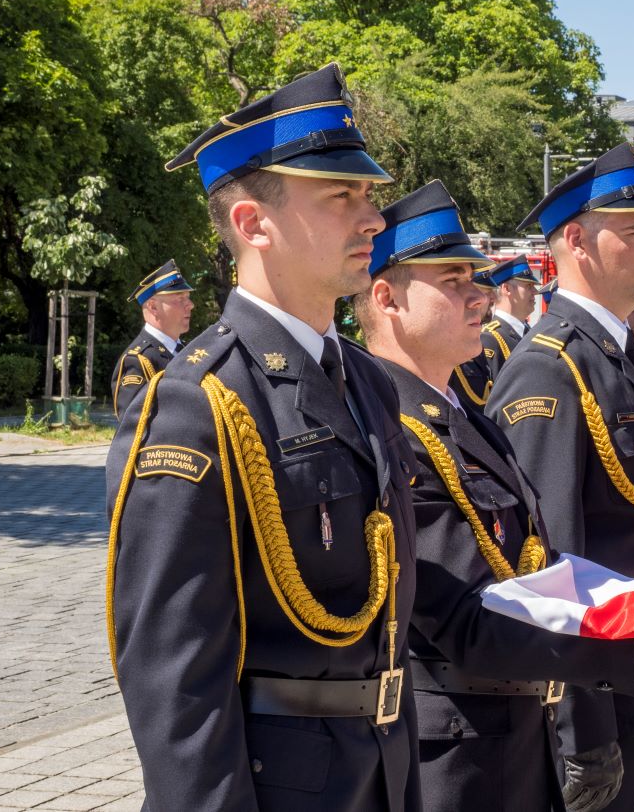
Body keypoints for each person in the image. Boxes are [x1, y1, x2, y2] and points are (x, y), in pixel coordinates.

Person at [353, 180, 634, 812]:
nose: (480, 295)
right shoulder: (389, 429)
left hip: (519, 724)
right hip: (457, 746)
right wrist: (630, 650)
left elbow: (544, 565)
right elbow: (466, 611)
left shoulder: (460, 417)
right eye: (454, 281)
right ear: (386, 297)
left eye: (477, 280)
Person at [106, 63, 423, 812]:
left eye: (369, 195)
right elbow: (174, 679)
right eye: (342, 196)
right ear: (253, 224)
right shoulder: (195, 402)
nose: (372, 218)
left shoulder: (369, 382)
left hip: (381, 776)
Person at [485, 142, 634, 812]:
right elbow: (548, 567)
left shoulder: (622, 357)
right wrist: (581, 728)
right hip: (601, 695)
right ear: (575, 240)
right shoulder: (549, 369)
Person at [111, 260, 194, 418]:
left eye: (188, 298)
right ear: (153, 307)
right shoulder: (138, 361)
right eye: (180, 299)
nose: (190, 305)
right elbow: (134, 428)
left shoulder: (186, 351)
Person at [478, 254, 542, 382]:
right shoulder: (490, 338)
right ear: (506, 288)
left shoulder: (530, 333)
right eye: (529, 286)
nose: (535, 292)